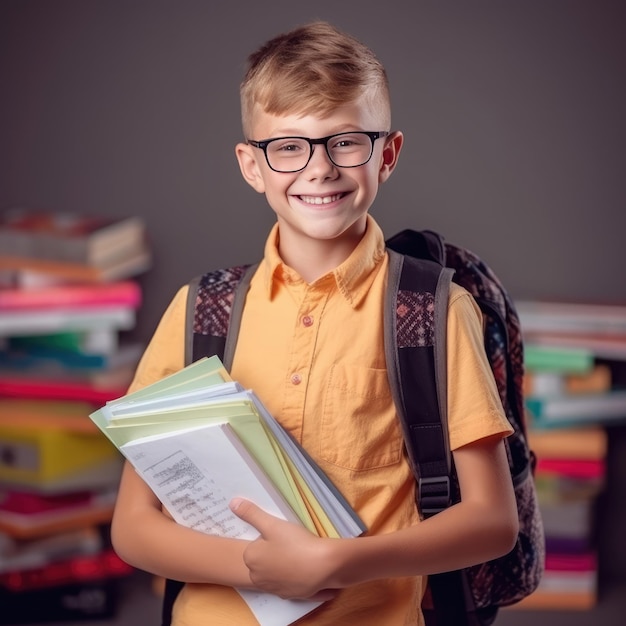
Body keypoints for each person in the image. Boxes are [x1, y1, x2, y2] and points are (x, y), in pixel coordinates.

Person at [111, 20, 519, 626]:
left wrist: (335, 565)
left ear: (388, 153)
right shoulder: (201, 311)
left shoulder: (433, 311)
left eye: (345, 142)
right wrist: (259, 563)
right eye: (289, 146)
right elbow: (134, 529)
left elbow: (492, 522)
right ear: (252, 166)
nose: (320, 169)